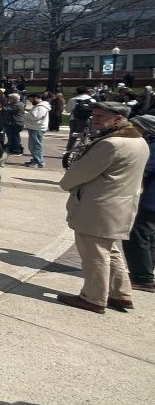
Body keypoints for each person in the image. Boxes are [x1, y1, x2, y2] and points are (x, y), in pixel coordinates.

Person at [56, 102, 148, 313]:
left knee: (94, 252)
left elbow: (81, 172)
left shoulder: (111, 144)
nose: (95, 119)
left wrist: (66, 183)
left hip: (100, 205)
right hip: (120, 204)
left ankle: (93, 297)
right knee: (110, 250)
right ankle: (121, 293)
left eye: (101, 116)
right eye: (94, 115)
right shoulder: (138, 141)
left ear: (118, 119)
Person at [124, 114, 155, 293]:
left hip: (148, 199)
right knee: (148, 235)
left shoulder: (151, 146)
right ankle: (146, 271)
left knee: (138, 235)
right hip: (149, 199)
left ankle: (142, 277)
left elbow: (142, 169)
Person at [23, 93, 50, 168]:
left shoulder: (41, 107)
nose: (30, 101)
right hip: (34, 127)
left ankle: (38, 162)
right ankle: (35, 159)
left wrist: (26, 114)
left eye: (31, 99)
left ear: (36, 98)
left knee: (36, 145)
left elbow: (35, 117)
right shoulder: (38, 106)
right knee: (32, 145)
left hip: (37, 128)